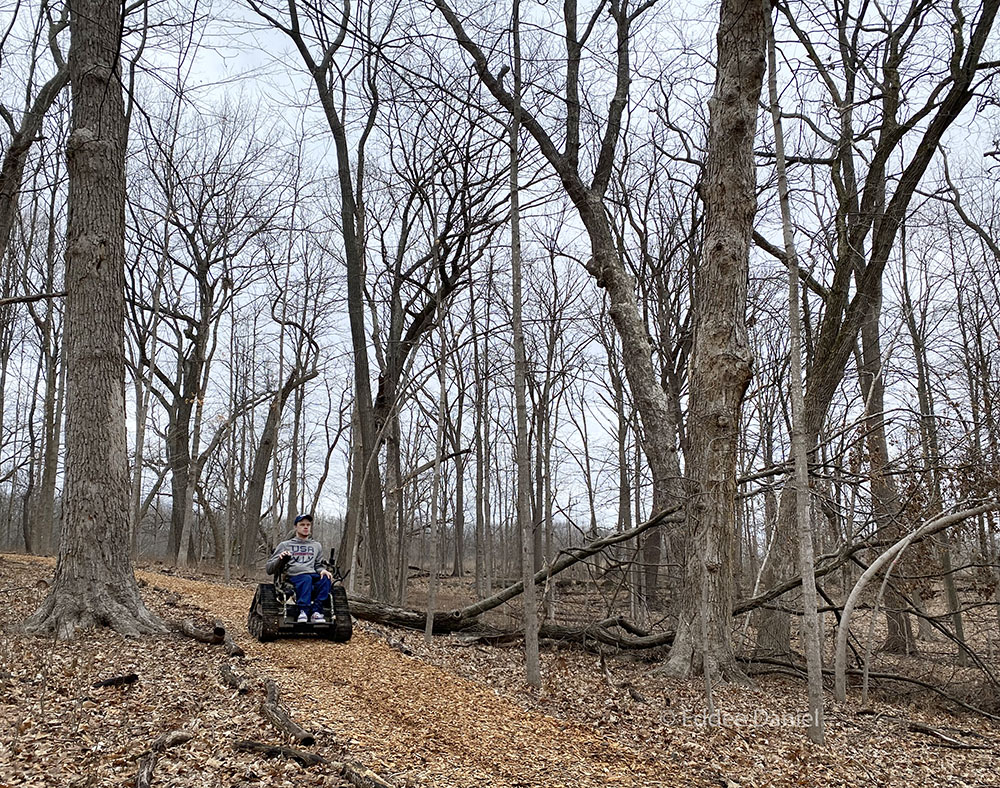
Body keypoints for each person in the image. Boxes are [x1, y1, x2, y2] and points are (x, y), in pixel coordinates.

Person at [265, 513, 334, 624]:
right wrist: (280, 559)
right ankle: (303, 611)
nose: (306, 527)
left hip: (312, 574)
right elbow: (269, 568)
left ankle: (316, 611)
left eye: (308, 525)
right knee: (306, 578)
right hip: (294, 576)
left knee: (325, 578)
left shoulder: (316, 546)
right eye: (302, 524)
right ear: (295, 527)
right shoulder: (285, 545)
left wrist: (323, 570)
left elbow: (317, 565)